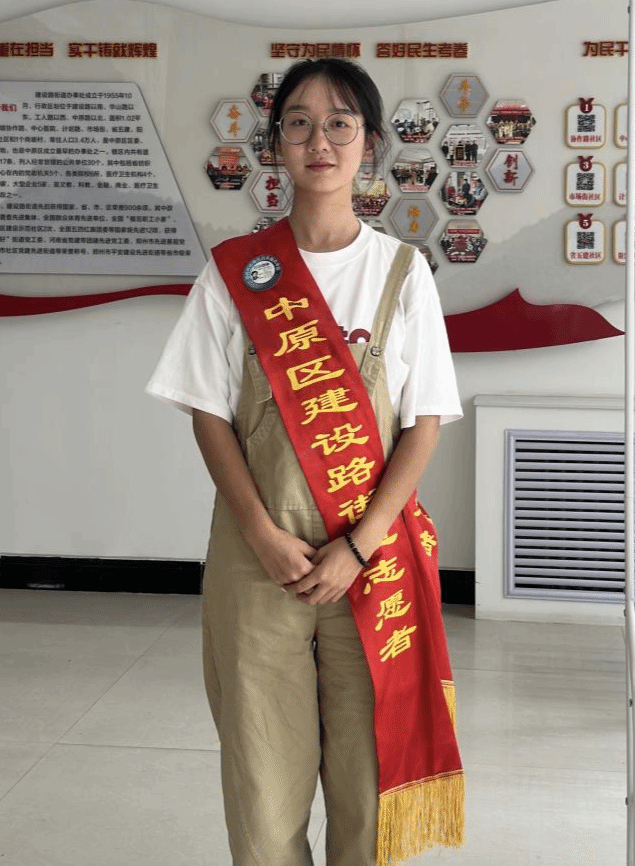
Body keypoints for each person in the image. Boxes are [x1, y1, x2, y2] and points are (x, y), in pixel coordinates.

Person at [146, 58, 464, 866]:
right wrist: (260, 534)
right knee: (262, 782)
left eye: (340, 123)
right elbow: (208, 414)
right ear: (276, 144)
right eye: (299, 123)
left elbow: (423, 424)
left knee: (369, 779)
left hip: (372, 558)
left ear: (370, 142)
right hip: (261, 556)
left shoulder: (403, 273)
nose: (319, 140)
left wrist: (358, 545)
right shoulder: (234, 272)